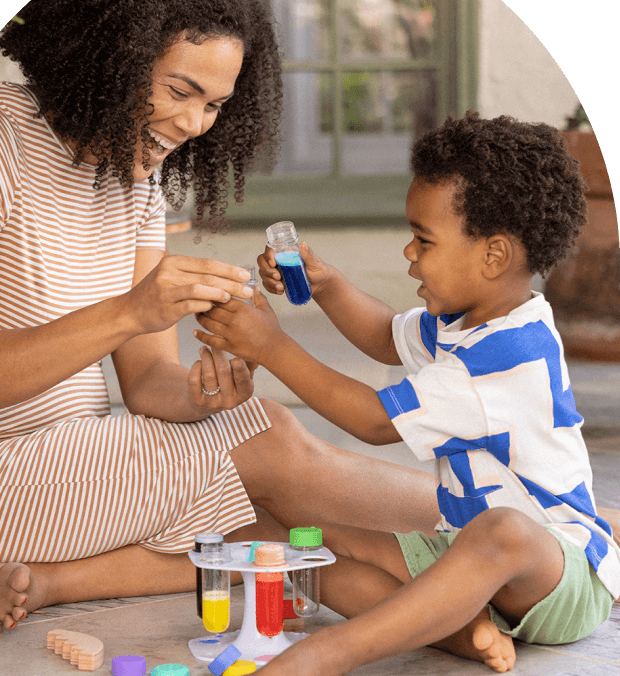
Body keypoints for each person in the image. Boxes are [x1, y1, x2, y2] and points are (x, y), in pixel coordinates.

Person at [0, 0, 442, 635]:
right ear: (112, 54)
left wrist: (201, 392)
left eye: (216, 105)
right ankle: (529, 524)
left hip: (65, 473)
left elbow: (149, 382)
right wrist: (133, 309)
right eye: (181, 90)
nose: (195, 123)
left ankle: (509, 548)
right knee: (268, 446)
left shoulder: (137, 183)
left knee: (273, 505)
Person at [195, 111, 620, 674]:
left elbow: (373, 420)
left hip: (554, 572)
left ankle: (325, 655)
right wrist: (328, 284)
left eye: (424, 240)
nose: (408, 254)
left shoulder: (505, 356)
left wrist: (274, 348)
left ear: (494, 255)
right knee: (317, 548)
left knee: (503, 531)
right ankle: (463, 630)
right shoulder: (467, 320)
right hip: (462, 554)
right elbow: (384, 335)